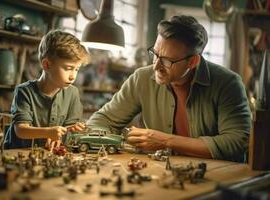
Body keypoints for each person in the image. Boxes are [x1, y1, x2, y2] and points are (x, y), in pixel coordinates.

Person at [87, 15, 251, 162]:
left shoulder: (228, 83)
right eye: (155, 54)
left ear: (193, 62)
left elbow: (237, 141)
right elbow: (100, 121)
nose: (156, 66)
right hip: (160, 173)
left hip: (219, 177)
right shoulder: (141, 78)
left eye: (167, 60)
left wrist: (165, 141)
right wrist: (115, 142)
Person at [5, 30, 89, 149]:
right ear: (46, 65)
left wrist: (73, 129)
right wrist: (48, 132)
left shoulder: (73, 93)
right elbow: (21, 130)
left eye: (77, 69)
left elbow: (69, 127)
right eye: (68, 68)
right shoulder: (24, 91)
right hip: (19, 152)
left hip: (49, 153)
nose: (73, 76)